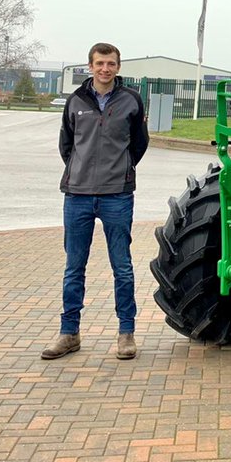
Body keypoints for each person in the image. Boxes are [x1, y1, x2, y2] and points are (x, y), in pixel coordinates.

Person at [41, 43, 148, 361]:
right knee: (74, 268)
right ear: (90, 66)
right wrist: (81, 171)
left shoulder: (131, 101)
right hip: (78, 196)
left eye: (111, 63)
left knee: (123, 267)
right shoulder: (76, 101)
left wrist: (121, 170)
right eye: (100, 63)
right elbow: (66, 144)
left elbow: (139, 145)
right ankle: (69, 333)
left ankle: (126, 333)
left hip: (117, 195)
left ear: (118, 66)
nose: (105, 68)